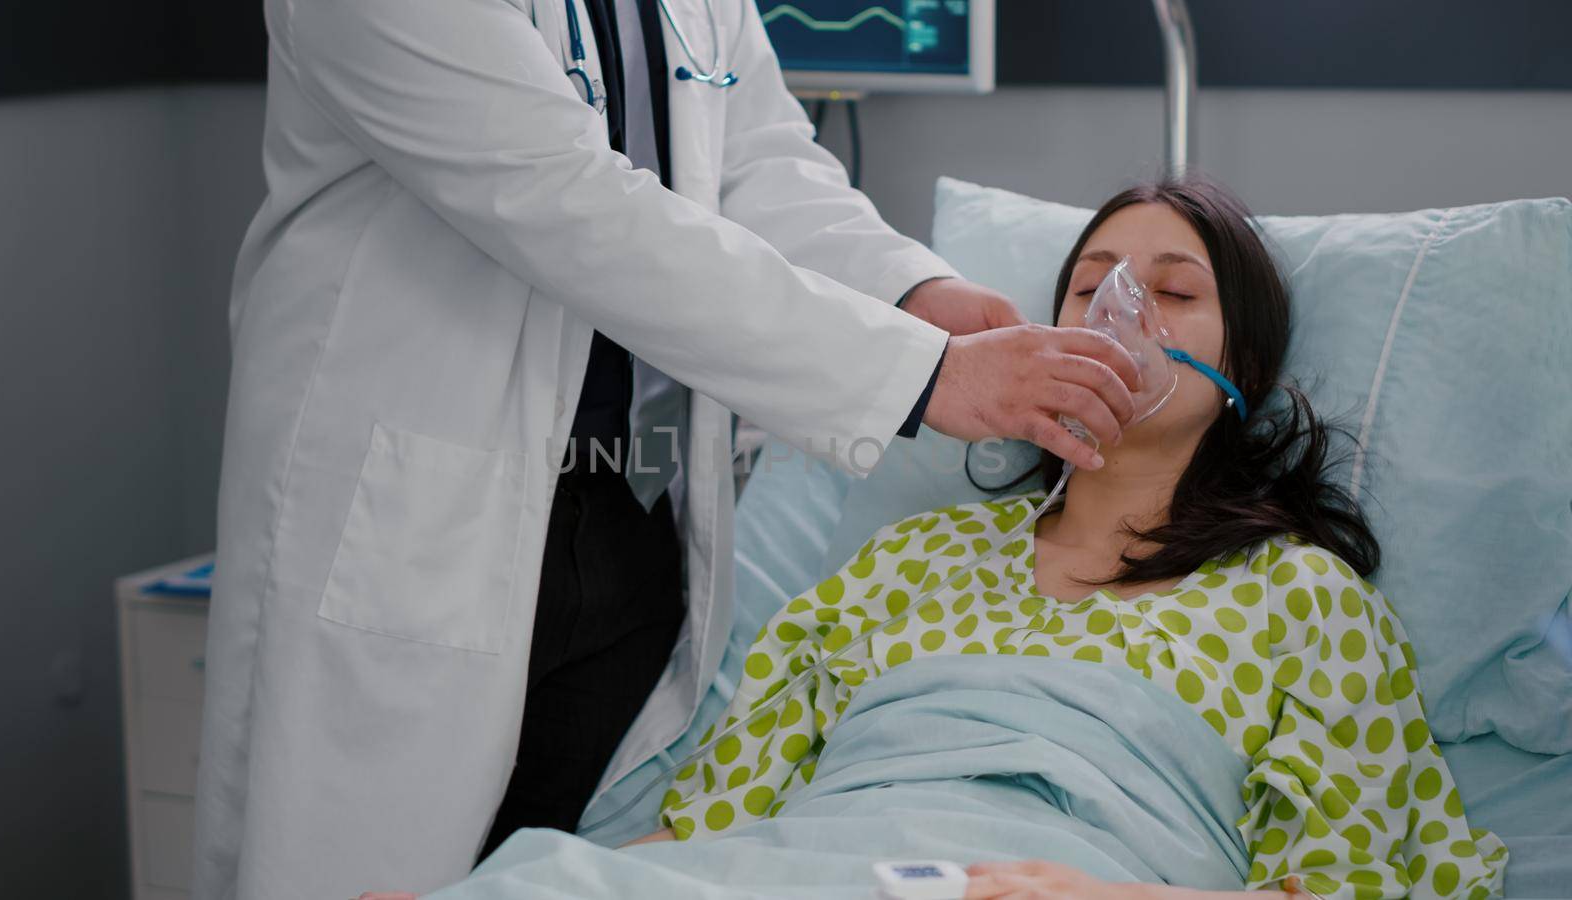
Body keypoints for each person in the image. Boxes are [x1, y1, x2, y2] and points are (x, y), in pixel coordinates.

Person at [190, 0, 1146, 897]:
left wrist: (910, 291)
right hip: (418, 528)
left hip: (634, 520)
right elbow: (566, 198)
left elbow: (759, 162)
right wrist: (924, 373)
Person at [636, 178, 1507, 899]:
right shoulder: (912, 558)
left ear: (1242, 368)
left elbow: (1347, 884)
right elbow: (702, 831)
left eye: (1172, 293)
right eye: (1091, 289)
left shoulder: (1303, 598)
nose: (1121, 313)